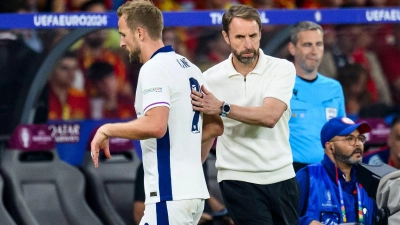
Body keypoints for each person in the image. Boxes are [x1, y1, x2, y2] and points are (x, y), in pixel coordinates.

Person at [90, 1, 224, 224]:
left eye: (124, 34)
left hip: (169, 194)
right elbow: (214, 126)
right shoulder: (189, 67)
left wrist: (107, 129)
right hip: (191, 192)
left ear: (140, 33)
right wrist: (189, 165)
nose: (121, 43)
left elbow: (155, 125)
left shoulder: (154, 68)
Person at [191, 4, 299, 225]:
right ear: (226, 37)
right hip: (236, 178)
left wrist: (222, 107)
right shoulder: (209, 78)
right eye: (240, 37)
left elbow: (270, 117)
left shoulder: (282, 69)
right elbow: (209, 131)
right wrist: (192, 180)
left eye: (253, 35)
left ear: (260, 33)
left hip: (282, 175)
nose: (248, 44)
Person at [287, 21, 346, 172]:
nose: (314, 51)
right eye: (307, 45)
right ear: (292, 48)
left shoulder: (334, 88)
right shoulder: (281, 85)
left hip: (329, 171)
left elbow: (341, 133)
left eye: (319, 44)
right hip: (291, 172)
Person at [296, 116, 377, 225]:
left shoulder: (369, 181)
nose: (358, 144)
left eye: (359, 138)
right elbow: (283, 218)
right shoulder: (307, 177)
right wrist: (306, 223)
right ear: (330, 147)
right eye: (350, 139)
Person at [48, 51, 90, 120]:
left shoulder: (81, 97)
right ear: (51, 70)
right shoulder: (42, 98)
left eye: (74, 68)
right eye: (64, 68)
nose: (71, 74)